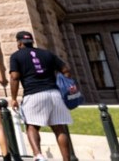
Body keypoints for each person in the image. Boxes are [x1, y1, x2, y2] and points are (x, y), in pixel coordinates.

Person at [9, 31, 74, 161]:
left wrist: (13, 98)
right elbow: (66, 70)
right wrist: (63, 86)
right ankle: (67, 159)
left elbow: (15, 77)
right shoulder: (47, 53)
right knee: (59, 128)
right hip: (54, 94)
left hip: (33, 94)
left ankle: (38, 155)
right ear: (32, 41)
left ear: (19, 43)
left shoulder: (16, 56)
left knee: (32, 126)